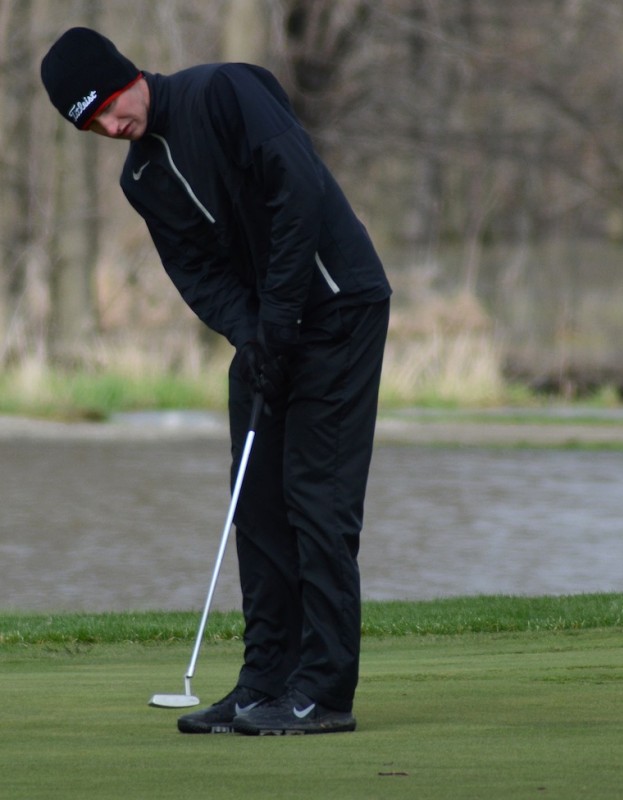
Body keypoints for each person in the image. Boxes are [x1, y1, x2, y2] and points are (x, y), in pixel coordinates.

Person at [40, 27, 391, 736]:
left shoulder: (223, 92)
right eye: (95, 125)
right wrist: (252, 334)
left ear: (126, 74)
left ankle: (323, 692)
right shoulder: (140, 178)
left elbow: (298, 192)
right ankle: (264, 681)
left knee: (315, 501)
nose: (113, 126)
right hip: (272, 332)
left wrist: (283, 316)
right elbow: (196, 271)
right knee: (255, 505)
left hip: (337, 306)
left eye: (109, 105)